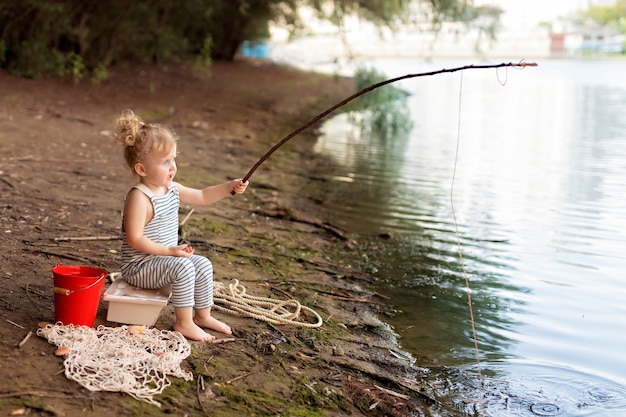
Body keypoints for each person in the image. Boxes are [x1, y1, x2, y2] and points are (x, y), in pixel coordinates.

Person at [113, 109, 248, 342]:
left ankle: (202, 316)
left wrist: (229, 187)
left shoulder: (172, 189)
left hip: (165, 260)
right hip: (140, 267)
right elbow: (135, 239)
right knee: (183, 267)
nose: (173, 166)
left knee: (202, 264)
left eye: (174, 159)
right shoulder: (139, 197)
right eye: (165, 162)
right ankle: (183, 323)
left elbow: (203, 196)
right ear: (142, 169)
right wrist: (169, 252)